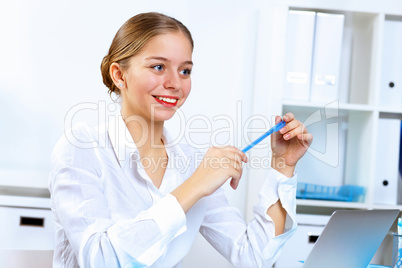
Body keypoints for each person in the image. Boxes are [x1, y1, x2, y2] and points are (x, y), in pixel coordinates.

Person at [49, 12, 313, 268]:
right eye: (158, 67)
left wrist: (283, 166)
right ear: (119, 75)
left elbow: (253, 255)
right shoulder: (81, 148)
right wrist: (195, 185)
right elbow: (100, 260)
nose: (175, 83)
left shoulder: (194, 163)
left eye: (185, 71)